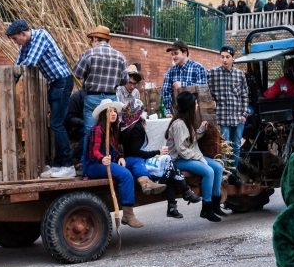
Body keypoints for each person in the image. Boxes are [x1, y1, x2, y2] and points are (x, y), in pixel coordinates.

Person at [5, 19, 75, 179]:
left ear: (23, 33)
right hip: (55, 83)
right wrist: (11, 83)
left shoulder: (40, 36)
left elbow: (29, 62)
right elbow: (19, 63)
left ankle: (68, 165)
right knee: (56, 124)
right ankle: (58, 165)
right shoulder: (26, 44)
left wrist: (16, 74)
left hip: (62, 82)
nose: (16, 43)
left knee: (57, 124)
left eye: (15, 39)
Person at [120, 99, 200, 218]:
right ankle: (184, 191)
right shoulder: (136, 128)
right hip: (137, 161)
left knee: (169, 168)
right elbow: (136, 152)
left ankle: (173, 206)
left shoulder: (125, 125)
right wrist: (157, 152)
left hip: (134, 159)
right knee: (168, 161)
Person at [73, 25, 129, 176]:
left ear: (95, 39)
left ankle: (86, 169)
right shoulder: (120, 56)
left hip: (92, 96)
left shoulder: (89, 54)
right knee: (110, 131)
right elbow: (125, 80)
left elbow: (77, 73)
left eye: (92, 40)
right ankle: (109, 162)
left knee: (89, 133)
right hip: (111, 97)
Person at [165, 91, 226, 222]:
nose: (197, 105)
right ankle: (206, 208)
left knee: (218, 167)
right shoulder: (179, 124)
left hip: (189, 156)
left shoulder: (188, 120)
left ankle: (216, 204)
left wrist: (201, 130)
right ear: (190, 107)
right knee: (208, 171)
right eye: (196, 103)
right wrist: (200, 159)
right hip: (179, 159)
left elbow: (190, 140)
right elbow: (182, 150)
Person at [84, 98, 143, 227]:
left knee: (131, 162)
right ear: (103, 114)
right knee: (126, 175)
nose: (114, 114)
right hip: (94, 165)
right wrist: (102, 158)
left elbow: (115, 149)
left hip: (106, 163)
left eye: (115, 111)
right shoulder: (98, 129)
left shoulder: (111, 130)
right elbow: (94, 151)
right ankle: (128, 214)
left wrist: (120, 156)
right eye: (110, 111)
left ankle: (145, 180)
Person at [207, 46, 249, 185]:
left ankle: (234, 174)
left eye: (227, 57)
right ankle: (224, 173)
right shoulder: (212, 74)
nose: (224, 59)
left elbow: (244, 95)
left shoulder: (240, 74)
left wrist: (244, 114)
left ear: (233, 58)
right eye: (222, 56)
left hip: (238, 117)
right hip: (222, 116)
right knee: (224, 146)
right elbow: (204, 89)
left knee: (236, 145)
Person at [161, 40, 207, 117]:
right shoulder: (170, 72)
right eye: (172, 54)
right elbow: (166, 92)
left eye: (176, 53)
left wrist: (183, 85)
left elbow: (203, 88)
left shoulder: (198, 68)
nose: (173, 57)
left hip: (196, 114)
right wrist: (168, 111)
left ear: (185, 52)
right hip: (177, 114)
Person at [65, 89, 86, 163]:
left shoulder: (100, 96)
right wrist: (85, 123)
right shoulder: (77, 96)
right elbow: (70, 118)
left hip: (93, 126)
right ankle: (76, 158)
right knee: (89, 132)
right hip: (77, 128)